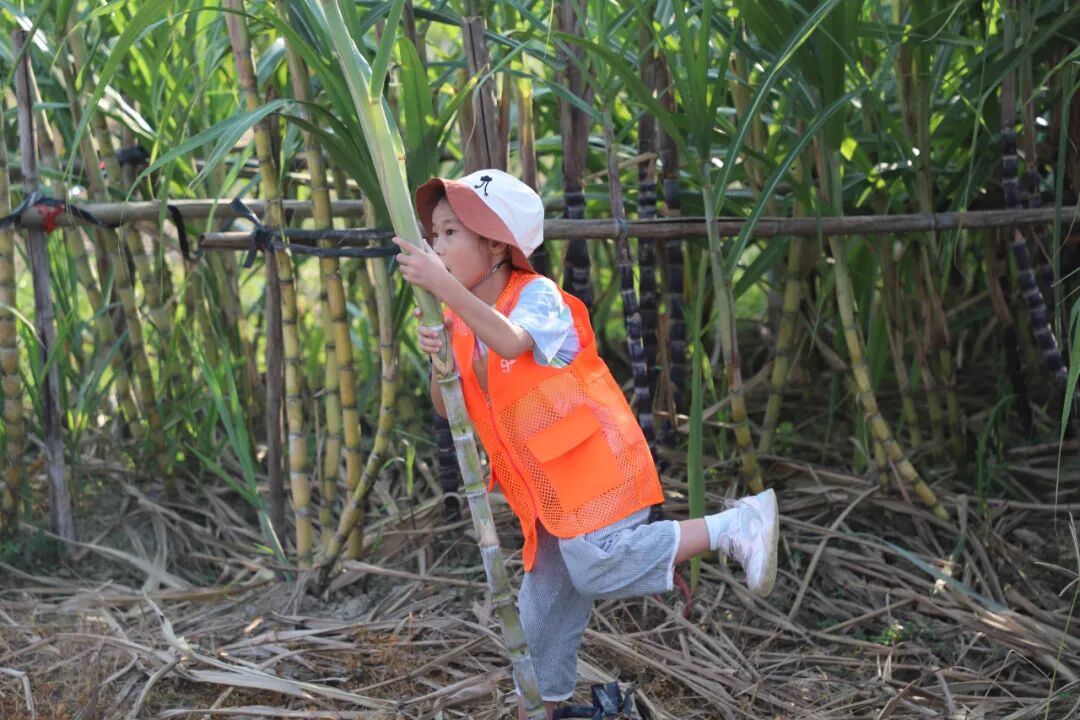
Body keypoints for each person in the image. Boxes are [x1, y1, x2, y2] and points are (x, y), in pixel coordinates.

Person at [393, 169, 779, 720]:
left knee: (594, 566)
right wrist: (440, 357)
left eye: (451, 232)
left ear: (497, 244)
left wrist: (443, 287)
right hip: (548, 496)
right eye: (434, 235)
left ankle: (737, 525)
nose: (437, 247)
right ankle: (541, 711)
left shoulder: (538, 297)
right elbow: (445, 404)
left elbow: (511, 340)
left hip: (596, 468)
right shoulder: (459, 319)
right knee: (537, 620)